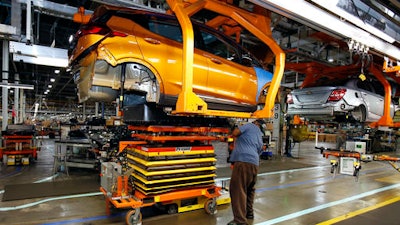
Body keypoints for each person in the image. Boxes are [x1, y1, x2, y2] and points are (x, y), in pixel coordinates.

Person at [227, 119, 264, 225]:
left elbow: (235, 133)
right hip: (254, 164)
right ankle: (249, 213)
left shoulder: (249, 126)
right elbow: (260, 150)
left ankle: (240, 220)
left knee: (238, 189)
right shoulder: (259, 135)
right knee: (249, 189)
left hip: (243, 162)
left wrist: (232, 128)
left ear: (255, 122)